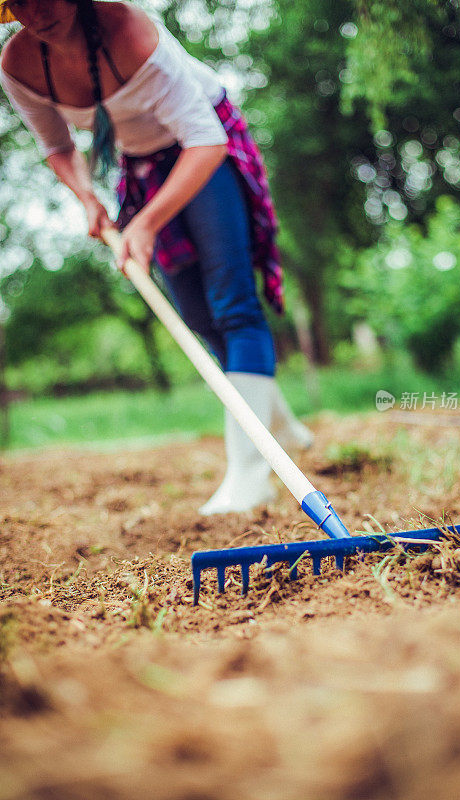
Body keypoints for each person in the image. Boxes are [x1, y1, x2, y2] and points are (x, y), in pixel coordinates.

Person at [0, 0, 312, 513]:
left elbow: (205, 140)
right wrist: (88, 198)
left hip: (204, 148)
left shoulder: (132, 31)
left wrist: (144, 222)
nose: (37, 10)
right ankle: (274, 423)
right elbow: (56, 145)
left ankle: (250, 474)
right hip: (143, 167)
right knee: (195, 318)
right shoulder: (19, 65)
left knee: (234, 308)